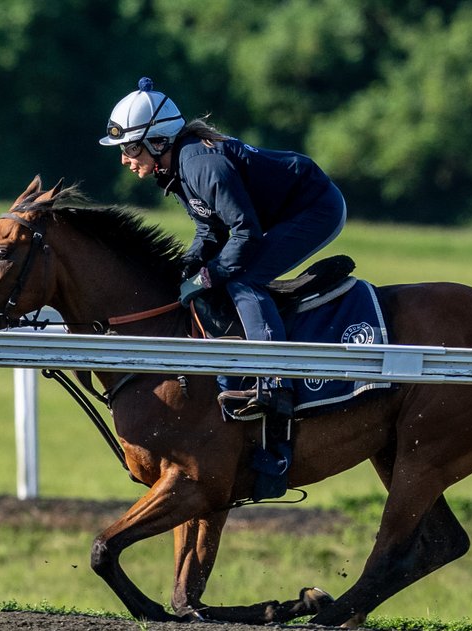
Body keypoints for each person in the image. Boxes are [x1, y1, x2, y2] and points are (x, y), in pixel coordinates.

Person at [99, 77, 347, 418]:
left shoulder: (200, 165)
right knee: (223, 277)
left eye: (130, 148)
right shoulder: (178, 169)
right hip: (278, 214)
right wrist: (187, 267)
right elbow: (210, 230)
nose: (125, 160)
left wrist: (208, 275)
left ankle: (276, 383)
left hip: (316, 207)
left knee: (244, 280)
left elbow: (246, 233)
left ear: (157, 142)